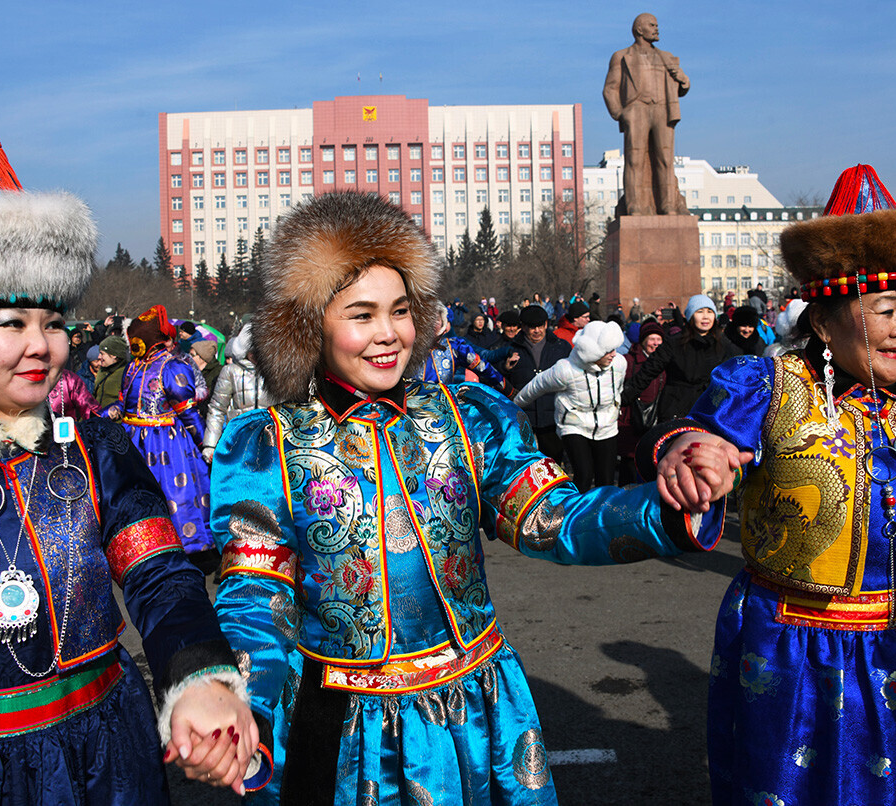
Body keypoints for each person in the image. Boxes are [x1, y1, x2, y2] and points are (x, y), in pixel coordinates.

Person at [209, 191, 736, 804]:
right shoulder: (269, 443)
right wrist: (238, 700)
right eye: (361, 314)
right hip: (344, 729)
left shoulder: (468, 419)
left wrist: (665, 502)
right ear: (309, 326)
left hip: (477, 713)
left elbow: (556, 519)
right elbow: (256, 597)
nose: (388, 335)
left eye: (401, 311)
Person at [0, 137, 258, 804]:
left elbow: (160, 575)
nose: (42, 345)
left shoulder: (97, 449)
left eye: (53, 321)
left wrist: (198, 675)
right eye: (11, 322)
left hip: (99, 754)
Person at [648, 165, 896, 805]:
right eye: (884, 311)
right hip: (805, 654)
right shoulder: (768, 388)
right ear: (824, 322)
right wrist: (694, 456)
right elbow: (702, 435)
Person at [118, 305, 218, 574]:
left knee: (175, 494)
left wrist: (205, 444)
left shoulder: (168, 366)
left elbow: (187, 412)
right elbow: (124, 404)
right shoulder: (138, 367)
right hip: (146, 441)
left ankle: (179, 548)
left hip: (163, 443)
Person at [514, 320, 626, 491]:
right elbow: (536, 386)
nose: (614, 354)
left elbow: (618, 388)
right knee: (584, 474)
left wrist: (614, 408)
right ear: (593, 352)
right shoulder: (566, 370)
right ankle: (576, 512)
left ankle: (603, 513)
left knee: (606, 479)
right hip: (574, 425)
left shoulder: (619, 364)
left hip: (606, 425)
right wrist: (514, 405)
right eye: (608, 351)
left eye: (615, 349)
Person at [602, 12, 690, 215]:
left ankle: (668, 205)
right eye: (652, 25)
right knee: (635, 159)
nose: (656, 28)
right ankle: (635, 206)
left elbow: (683, 87)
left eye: (656, 25)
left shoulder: (666, 57)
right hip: (637, 109)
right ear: (639, 29)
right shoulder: (622, 56)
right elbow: (609, 89)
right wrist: (619, 113)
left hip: (662, 110)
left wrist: (683, 78)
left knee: (666, 159)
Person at [626, 293, 737, 421]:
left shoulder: (724, 345)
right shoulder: (674, 343)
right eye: (700, 311)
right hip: (676, 410)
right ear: (690, 316)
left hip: (710, 411)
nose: (706, 316)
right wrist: (622, 399)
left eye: (710, 312)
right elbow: (647, 373)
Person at [504, 304, 572, 462]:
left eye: (540, 326)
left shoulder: (561, 347)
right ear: (523, 327)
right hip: (522, 415)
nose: (537, 331)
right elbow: (499, 379)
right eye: (532, 327)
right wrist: (505, 367)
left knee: (553, 463)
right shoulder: (510, 348)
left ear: (546, 325)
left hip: (552, 415)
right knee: (524, 463)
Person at [202, 322, 275, 464]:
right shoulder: (231, 372)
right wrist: (210, 445)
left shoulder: (275, 374)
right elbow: (217, 409)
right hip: (238, 441)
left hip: (271, 442)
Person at [617, 318, 666, 484]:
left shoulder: (665, 361)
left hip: (655, 418)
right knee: (629, 465)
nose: (656, 343)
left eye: (659, 339)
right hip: (630, 420)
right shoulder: (627, 360)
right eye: (652, 339)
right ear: (643, 340)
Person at [93, 334, 128, 411]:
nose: (99, 357)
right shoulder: (102, 371)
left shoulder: (126, 373)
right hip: (99, 419)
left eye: (102, 353)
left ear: (113, 355)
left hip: (115, 421)